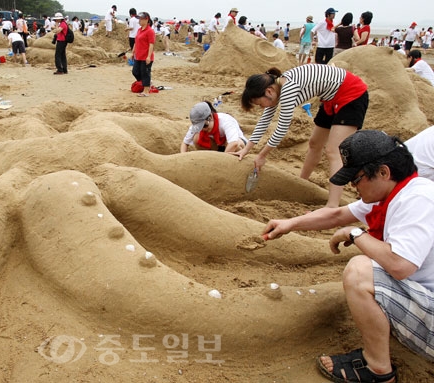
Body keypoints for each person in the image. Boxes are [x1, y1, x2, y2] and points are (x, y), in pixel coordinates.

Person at [263, 130, 434, 383]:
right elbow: (338, 215)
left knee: (360, 271)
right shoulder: (393, 192)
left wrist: (355, 234)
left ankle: (378, 371)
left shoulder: (418, 198)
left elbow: (400, 265)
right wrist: (289, 223)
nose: (353, 187)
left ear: (384, 172)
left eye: (356, 179)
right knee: (371, 261)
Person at [238, 64, 369, 207]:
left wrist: (262, 156)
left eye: (259, 104)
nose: (262, 107)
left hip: (351, 94)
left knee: (334, 151)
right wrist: (246, 149)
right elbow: (265, 120)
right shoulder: (277, 87)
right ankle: (302, 183)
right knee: (314, 144)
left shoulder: (288, 88)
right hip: (330, 98)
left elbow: (282, 129)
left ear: (268, 91)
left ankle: (332, 205)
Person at [180, 101, 247, 153]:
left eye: (204, 125)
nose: (204, 129)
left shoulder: (226, 120)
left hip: (236, 143)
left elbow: (234, 143)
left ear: (211, 117)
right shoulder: (196, 124)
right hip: (218, 146)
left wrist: (222, 160)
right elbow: (185, 143)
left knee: (236, 144)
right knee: (197, 138)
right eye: (200, 127)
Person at [131, 11, 155, 97]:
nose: (139, 21)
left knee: (145, 72)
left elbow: (151, 44)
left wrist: (148, 56)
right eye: (139, 19)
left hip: (146, 56)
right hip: (138, 55)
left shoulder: (150, 31)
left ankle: (146, 90)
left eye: (141, 19)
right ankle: (146, 83)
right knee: (135, 71)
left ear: (146, 19)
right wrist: (133, 51)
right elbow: (136, 42)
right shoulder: (139, 30)